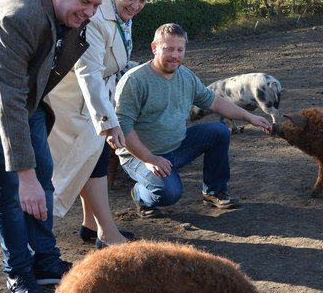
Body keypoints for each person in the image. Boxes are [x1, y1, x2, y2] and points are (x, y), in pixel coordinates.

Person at [0, 0, 110, 293]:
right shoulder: (17, 17)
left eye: (96, 5)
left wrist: (32, 174)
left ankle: (45, 262)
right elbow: (7, 98)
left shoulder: (66, 11)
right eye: (85, 3)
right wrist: (23, 174)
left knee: (43, 172)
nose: (91, 12)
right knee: (12, 183)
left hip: (18, 94)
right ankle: (18, 270)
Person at [45, 0, 159, 249]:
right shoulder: (96, 16)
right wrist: (107, 121)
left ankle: (91, 225)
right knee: (86, 159)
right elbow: (89, 71)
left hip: (95, 96)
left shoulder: (121, 15)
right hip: (74, 98)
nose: (136, 5)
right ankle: (106, 233)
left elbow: (113, 62)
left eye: (143, 0)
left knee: (91, 159)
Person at [115, 23, 272, 217]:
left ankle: (214, 191)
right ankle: (140, 194)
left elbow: (215, 102)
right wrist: (149, 158)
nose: (175, 55)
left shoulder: (186, 76)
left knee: (219, 131)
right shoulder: (134, 81)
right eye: (169, 49)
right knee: (169, 194)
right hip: (140, 155)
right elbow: (123, 127)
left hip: (177, 146)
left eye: (180, 50)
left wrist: (250, 117)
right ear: (154, 48)